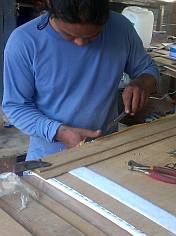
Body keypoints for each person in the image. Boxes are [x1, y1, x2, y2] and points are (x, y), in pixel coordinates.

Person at [2, 0, 159, 160]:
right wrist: (59, 132)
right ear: (51, 9)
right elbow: (16, 106)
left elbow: (148, 69)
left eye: (93, 36)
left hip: (106, 152)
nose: (81, 43)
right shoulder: (24, 42)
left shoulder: (121, 28)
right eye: (69, 35)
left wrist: (142, 83)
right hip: (49, 161)